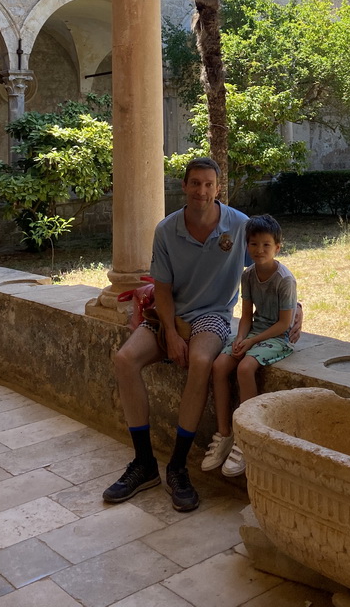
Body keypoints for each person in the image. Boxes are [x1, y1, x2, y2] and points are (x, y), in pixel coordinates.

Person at [103, 158, 301, 512]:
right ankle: (144, 463)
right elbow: (161, 290)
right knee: (124, 359)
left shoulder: (238, 225)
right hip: (170, 315)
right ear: (184, 186)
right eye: (195, 183)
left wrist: (295, 307)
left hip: (213, 315)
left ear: (218, 188)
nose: (202, 191)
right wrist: (170, 333)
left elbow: (269, 262)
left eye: (209, 184)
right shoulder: (166, 230)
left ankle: (178, 467)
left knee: (200, 360)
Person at [201, 214, 296, 477]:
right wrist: (241, 338)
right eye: (253, 244)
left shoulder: (284, 280)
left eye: (266, 245)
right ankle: (224, 433)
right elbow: (245, 316)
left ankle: (247, 439)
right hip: (253, 331)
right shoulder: (249, 275)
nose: (259, 250)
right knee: (220, 365)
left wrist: (252, 341)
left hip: (276, 337)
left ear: (278, 247)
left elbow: (283, 324)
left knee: (245, 369)